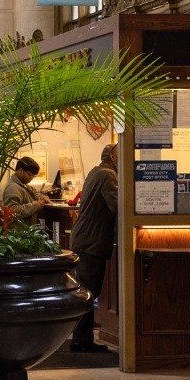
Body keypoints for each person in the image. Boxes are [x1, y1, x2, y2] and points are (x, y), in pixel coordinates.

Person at [69, 144, 118, 352]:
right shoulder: (108, 175)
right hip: (91, 240)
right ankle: (81, 340)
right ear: (115, 157)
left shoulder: (95, 171)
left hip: (84, 237)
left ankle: (81, 338)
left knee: (85, 289)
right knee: (88, 290)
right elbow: (117, 205)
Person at [0, 157, 51, 221]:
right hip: (21, 230)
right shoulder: (13, 188)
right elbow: (13, 211)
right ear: (20, 170)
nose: (31, 178)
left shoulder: (23, 184)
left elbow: (35, 193)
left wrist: (43, 197)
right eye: (29, 175)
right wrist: (36, 205)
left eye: (33, 176)